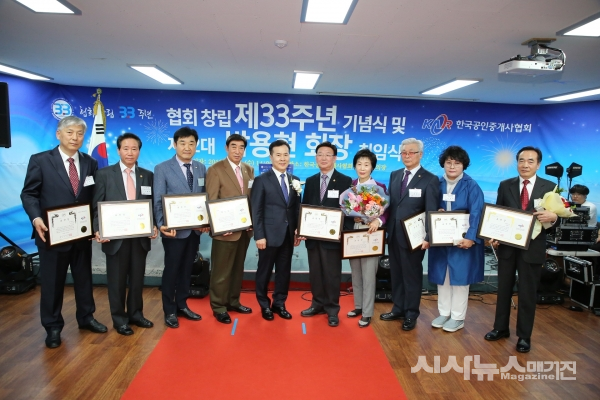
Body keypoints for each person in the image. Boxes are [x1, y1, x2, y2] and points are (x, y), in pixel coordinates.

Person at [21, 116, 107, 349]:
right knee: (52, 281)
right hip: (51, 233)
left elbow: (91, 196)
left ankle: (86, 317)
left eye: (79, 133)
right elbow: (29, 194)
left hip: (81, 232)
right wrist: (36, 218)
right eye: (70, 132)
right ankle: (52, 326)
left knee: (83, 278)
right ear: (59, 134)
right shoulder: (40, 160)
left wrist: (96, 224)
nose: (75, 137)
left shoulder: (90, 162)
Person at [484, 146, 558, 353]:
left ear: (538, 164)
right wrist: (494, 235)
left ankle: (524, 336)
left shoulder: (550, 187)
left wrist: (554, 218)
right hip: (507, 247)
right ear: (516, 162)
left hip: (532, 248)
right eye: (521, 160)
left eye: (530, 161)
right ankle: (500, 328)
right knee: (504, 290)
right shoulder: (505, 185)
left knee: (527, 293)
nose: (525, 165)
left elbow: (555, 219)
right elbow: (498, 213)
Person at [92, 133, 158, 335]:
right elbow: (96, 206)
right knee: (117, 281)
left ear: (139, 151)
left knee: (138, 278)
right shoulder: (104, 174)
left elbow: (151, 204)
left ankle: (136, 314)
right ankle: (119, 319)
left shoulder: (147, 175)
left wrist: (153, 224)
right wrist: (98, 228)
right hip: (115, 238)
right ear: (118, 150)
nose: (130, 153)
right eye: (126, 148)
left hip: (139, 237)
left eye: (134, 149)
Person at [380, 138, 439, 331]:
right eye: (404, 152)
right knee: (396, 274)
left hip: (415, 238)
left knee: (411, 276)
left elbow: (431, 210)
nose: (407, 156)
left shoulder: (430, 179)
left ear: (420, 155)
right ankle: (398, 308)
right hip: (394, 234)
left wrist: (429, 237)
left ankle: (411, 314)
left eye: (411, 152)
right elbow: (392, 205)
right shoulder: (395, 174)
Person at [153, 127, 208, 329]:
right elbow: (158, 200)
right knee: (172, 270)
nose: (187, 147)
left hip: (193, 231)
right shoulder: (162, 168)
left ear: (196, 146)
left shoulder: (201, 168)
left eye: (191, 143)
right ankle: (169, 310)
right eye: (183, 143)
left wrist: (206, 222)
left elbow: (204, 199)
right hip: (173, 231)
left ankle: (182, 305)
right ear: (175, 144)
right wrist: (161, 225)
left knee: (187, 269)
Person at [427, 146, 484, 333]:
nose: (452, 166)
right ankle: (444, 313)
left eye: (457, 163)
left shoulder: (471, 185)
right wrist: (437, 212)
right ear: (443, 164)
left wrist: (471, 238)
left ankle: (458, 317)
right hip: (441, 239)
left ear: (463, 165)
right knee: (442, 276)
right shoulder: (436, 183)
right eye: (448, 162)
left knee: (460, 278)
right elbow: (428, 207)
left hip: (462, 241)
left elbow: (477, 213)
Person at [299, 141, 353, 327]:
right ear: (316, 158)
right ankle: (317, 304)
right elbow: (305, 207)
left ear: (335, 158)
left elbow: (349, 210)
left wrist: (343, 232)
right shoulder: (311, 180)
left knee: (331, 274)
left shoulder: (345, 181)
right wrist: (302, 228)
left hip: (333, 237)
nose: (323, 158)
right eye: (320, 154)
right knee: (315, 273)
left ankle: (332, 309)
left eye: (327, 154)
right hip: (313, 237)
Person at [206, 134, 255, 324]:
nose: (237, 151)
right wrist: (218, 227)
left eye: (241, 147)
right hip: (225, 231)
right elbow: (211, 200)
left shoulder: (249, 169)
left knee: (236, 269)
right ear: (227, 148)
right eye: (233, 147)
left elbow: (251, 199)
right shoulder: (216, 169)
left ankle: (234, 301)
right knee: (221, 271)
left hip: (244, 230)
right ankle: (218, 306)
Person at [251, 140, 301, 321]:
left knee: (284, 271)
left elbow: (295, 209)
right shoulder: (261, 180)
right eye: (278, 155)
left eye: (285, 154)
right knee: (264, 271)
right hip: (268, 236)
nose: (282, 158)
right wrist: (259, 235)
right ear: (271, 157)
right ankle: (264, 305)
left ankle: (279, 303)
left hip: (288, 235)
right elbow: (256, 210)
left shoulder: (294, 180)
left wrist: (297, 230)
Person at [346, 149, 389, 328]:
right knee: (355, 270)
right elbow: (346, 208)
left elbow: (387, 211)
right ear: (354, 165)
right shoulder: (351, 185)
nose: (362, 168)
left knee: (369, 272)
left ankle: (368, 312)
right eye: (359, 164)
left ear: (372, 167)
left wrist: (378, 220)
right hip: (355, 231)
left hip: (372, 232)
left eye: (366, 164)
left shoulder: (380, 187)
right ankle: (358, 306)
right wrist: (353, 216)